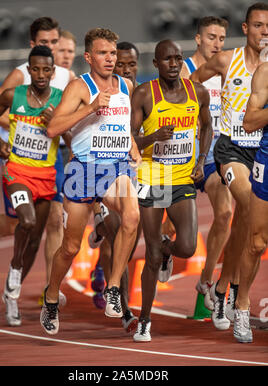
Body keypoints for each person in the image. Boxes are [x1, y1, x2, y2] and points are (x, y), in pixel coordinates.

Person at [40, 28, 141, 335]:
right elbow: (53, 128)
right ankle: (51, 296)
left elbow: (123, 126)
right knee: (70, 247)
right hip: (82, 170)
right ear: (88, 57)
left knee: (132, 216)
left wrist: (133, 147)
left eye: (112, 53)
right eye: (102, 53)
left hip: (115, 167)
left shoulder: (126, 84)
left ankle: (112, 288)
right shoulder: (78, 87)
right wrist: (91, 107)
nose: (109, 59)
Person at [0, 17, 73, 306]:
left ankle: (50, 287)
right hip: (20, 161)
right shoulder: (20, 76)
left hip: (51, 163)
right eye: (45, 43)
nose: (51, 47)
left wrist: (56, 126)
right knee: (18, 223)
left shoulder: (66, 79)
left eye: (54, 42)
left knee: (55, 221)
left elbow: (69, 129)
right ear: (33, 46)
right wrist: (21, 126)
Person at [190, 2, 268, 330]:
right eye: (259, 25)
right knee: (247, 206)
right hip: (231, 150)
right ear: (246, 29)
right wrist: (202, 116)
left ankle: (223, 288)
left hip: (261, 153)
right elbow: (192, 83)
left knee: (247, 227)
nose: (265, 31)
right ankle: (236, 297)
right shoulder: (226, 60)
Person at [131, 39, 213, 342]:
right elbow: (131, 142)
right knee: (150, 255)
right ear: (156, 64)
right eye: (167, 59)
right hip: (154, 179)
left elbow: (207, 127)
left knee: (188, 247)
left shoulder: (197, 92)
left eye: (178, 58)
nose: (174, 63)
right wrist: (153, 136)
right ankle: (145, 320)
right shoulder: (144, 94)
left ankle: (168, 250)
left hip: (181, 179)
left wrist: (202, 160)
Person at [180, 16, 233, 311]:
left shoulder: (227, 70)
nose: (217, 44)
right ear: (198, 39)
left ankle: (206, 281)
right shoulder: (184, 70)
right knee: (175, 232)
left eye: (222, 38)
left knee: (225, 214)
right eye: (211, 37)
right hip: (182, 156)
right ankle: (165, 244)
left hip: (214, 156)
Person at [89, 41, 141, 333]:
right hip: (99, 171)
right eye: (119, 65)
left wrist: (136, 143)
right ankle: (123, 307)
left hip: (133, 170)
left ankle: (105, 270)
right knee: (114, 229)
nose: (125, 70)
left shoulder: (137, 92)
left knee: (129, 237)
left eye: (131, 65)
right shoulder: (95, 90)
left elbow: (133, 132)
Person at [233, 61, 268, 343]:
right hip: (267, 163)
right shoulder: (265, 72)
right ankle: (242, 305)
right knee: (256, 242)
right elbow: (249, 122)